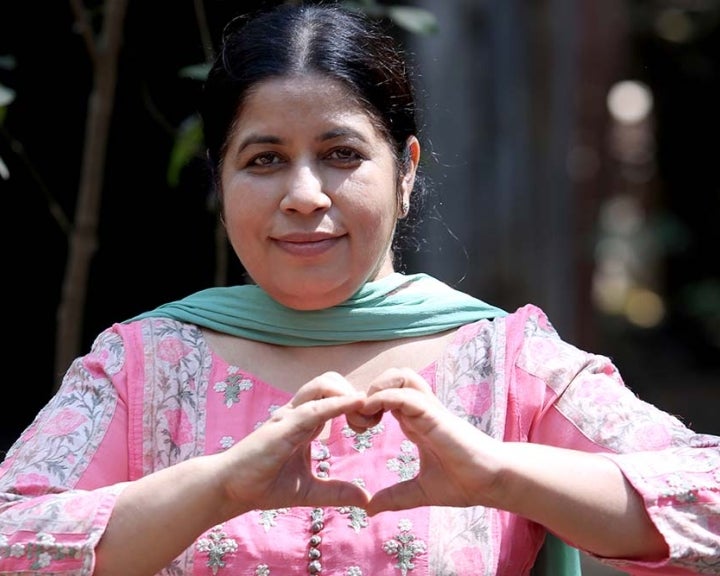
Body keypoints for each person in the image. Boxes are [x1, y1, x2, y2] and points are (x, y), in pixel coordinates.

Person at [1, 3, 718, 575]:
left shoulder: (510, 363)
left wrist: (501, 475)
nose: (304, 194)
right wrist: (215, 489)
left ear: (405, 171)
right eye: (265, 159)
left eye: (342, 154)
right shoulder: (141, 367)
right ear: (219, 180)